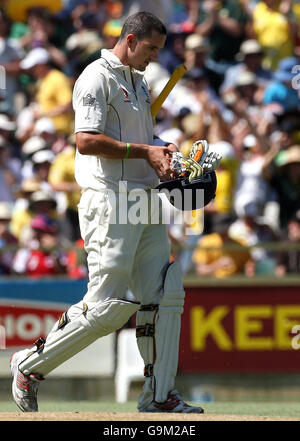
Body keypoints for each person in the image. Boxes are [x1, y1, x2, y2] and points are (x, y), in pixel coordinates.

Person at [10, 12, 211, 414]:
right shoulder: (95, 77)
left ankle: (158, 396)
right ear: (131, 39)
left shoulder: (138, 80)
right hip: (109, 198)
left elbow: (137, 141)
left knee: (164, 294)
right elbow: (85, 141)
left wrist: (164, 150)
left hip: (144, 198)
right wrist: (144, 151)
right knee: (106, 305)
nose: (155, 57)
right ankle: (29, 366)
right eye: (151, 48)